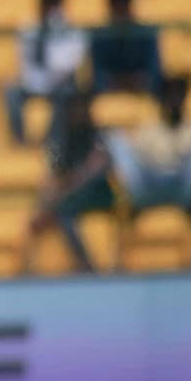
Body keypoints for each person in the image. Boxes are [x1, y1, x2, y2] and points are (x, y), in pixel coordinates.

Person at [106, 77, 191, 219]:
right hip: (150, 188)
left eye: (178, 95)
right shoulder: (148, 129)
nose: (174, 101)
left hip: (186, 188)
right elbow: (135, 165)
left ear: (185, 98)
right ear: (161, 100)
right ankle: (136, 205)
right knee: (115, 139)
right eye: (170, 95)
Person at [30, 90, 116, 272]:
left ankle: (87, 263)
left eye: (81, 109)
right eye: (74, 110)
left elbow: (92, 172)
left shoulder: (98, 137)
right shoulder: (64, 141)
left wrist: (62, 191)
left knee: (60, 206)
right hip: (72, 195)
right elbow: (54, 172)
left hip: (98, 193)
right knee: (63, 211)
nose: (78, 113)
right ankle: (84, 262)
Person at [4, 0, 87, 144]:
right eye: (46, 5)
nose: (49, 10)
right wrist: (31, 80)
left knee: (66, 95)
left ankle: (53, 141)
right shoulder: (29, 28)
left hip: (59, 83)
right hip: (32, 82)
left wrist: (53, 77)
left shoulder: (71, 31)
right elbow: (24, 61)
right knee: (11, 91)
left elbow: (70, 64)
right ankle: (20, 140)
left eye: (53, 6)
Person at [90, 0, 162, 97]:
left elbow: (154, 72)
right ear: (111, 10)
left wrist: (139, 81)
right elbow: (97, 74)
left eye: (124, 8)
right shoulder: (100, 37)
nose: (121, 14)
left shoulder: (145, 35)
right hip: (109, 93)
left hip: (141, 92)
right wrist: (116, 82)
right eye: (117, 9)